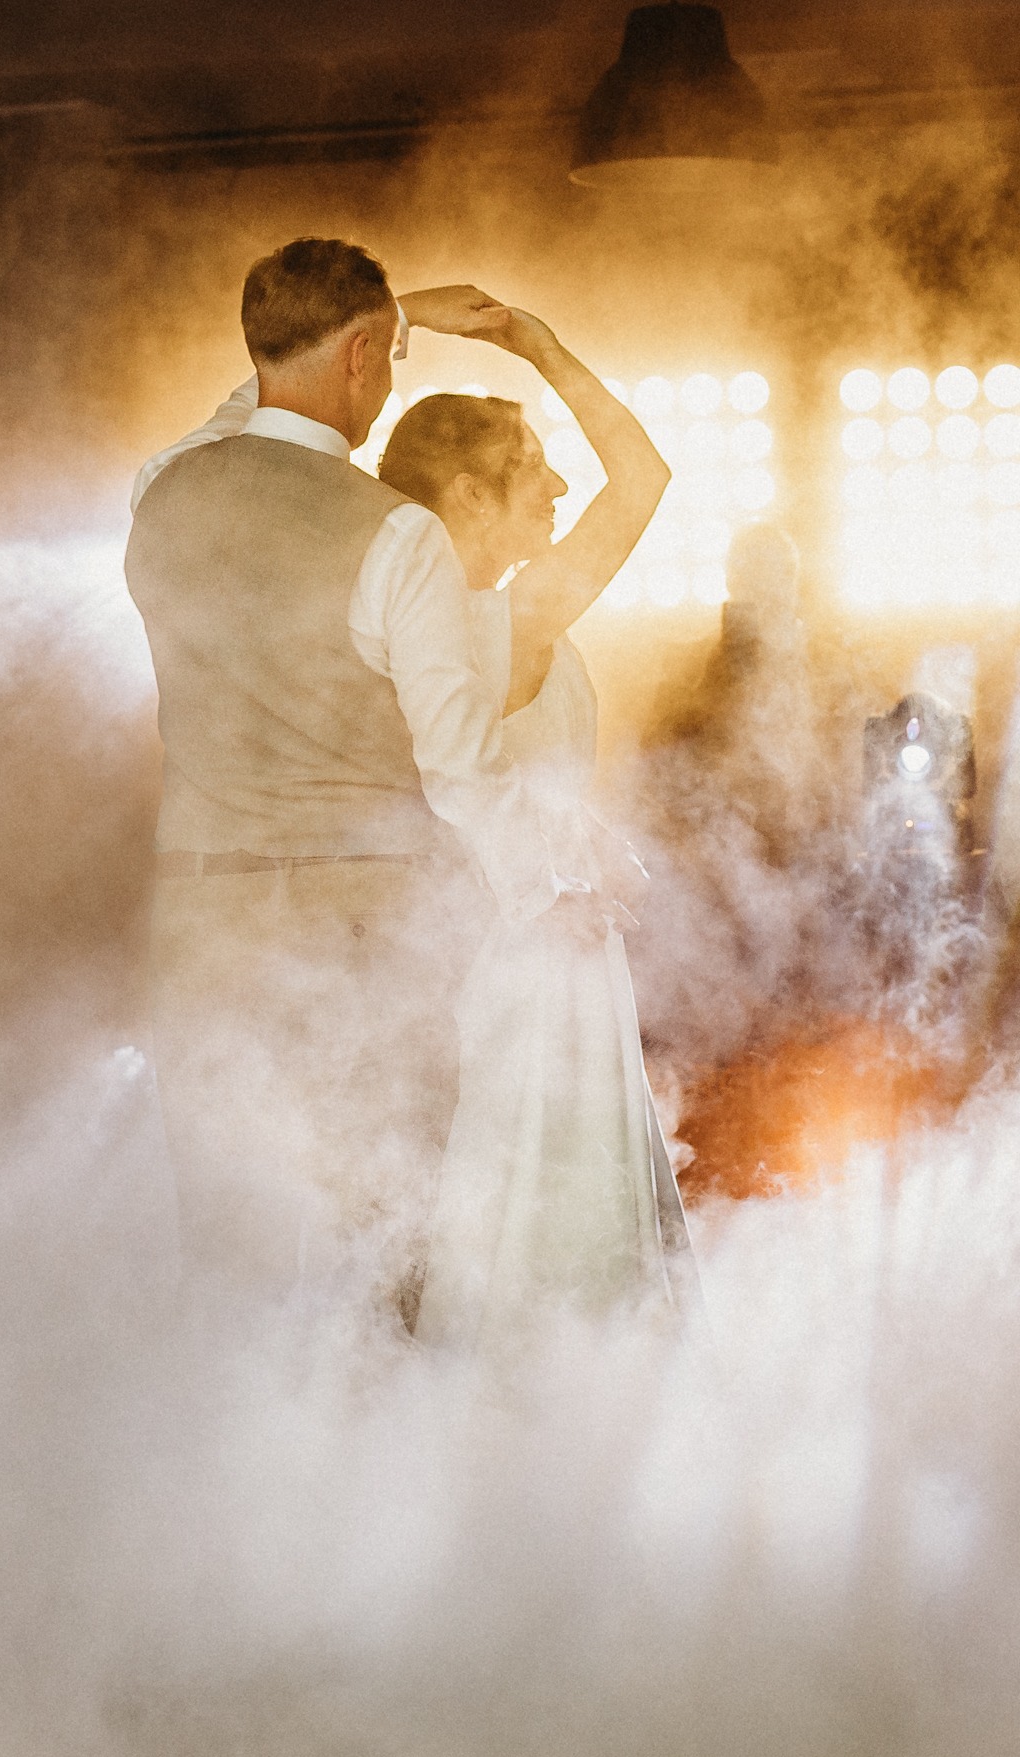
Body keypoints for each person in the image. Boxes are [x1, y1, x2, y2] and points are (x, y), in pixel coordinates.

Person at [124, 240, 608, 1332]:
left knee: (231, 1238)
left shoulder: (160, 487)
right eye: (381, 357)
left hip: (198, 923)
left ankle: (230, 1469)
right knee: (383, 1234)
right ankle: (378, 1471)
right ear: (359, 357)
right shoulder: (395, 535)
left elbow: (234, 417)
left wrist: (374, 321)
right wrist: (546, 892)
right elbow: (458, 769)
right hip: (358, 926)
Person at [370, 309, 700, 1345]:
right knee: (537, 1216)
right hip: (518, 960)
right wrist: (537, 347)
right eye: (533, 470)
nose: (560, 491)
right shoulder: (497, 623)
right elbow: (641, 479)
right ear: (466, 498)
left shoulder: (441, 619)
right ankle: (544, 1412)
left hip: (531, 943)